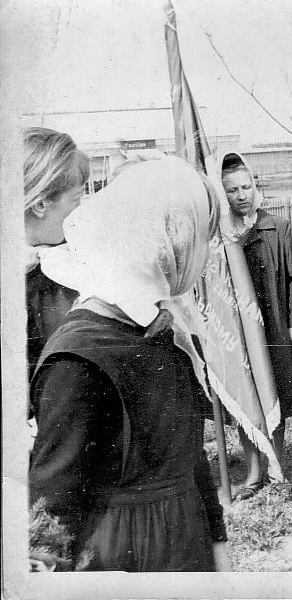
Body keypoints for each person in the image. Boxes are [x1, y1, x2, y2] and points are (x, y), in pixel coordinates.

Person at [29, 156, 228, 571]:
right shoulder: (80, 355)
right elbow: (53, 505)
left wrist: (218, 546)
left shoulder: (162, 329)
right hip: (122, 555)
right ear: (162, 241)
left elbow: (190, 458)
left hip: (185, 541)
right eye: (200, 240)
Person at [220, 153, 292, 501]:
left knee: (276, 393)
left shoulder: (278, 228)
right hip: (238, 331)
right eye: (231, 190)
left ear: (256, 187)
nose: (241, 195)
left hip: (274, 328)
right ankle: (253, 471)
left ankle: (276, 465)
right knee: (245, 396)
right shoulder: (221, 238)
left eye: (246, 187)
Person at [23, 127, 89, 378]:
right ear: (41, 205)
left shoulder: (60, 266)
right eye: (76, 199)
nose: (81, 210)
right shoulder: (50, 279)